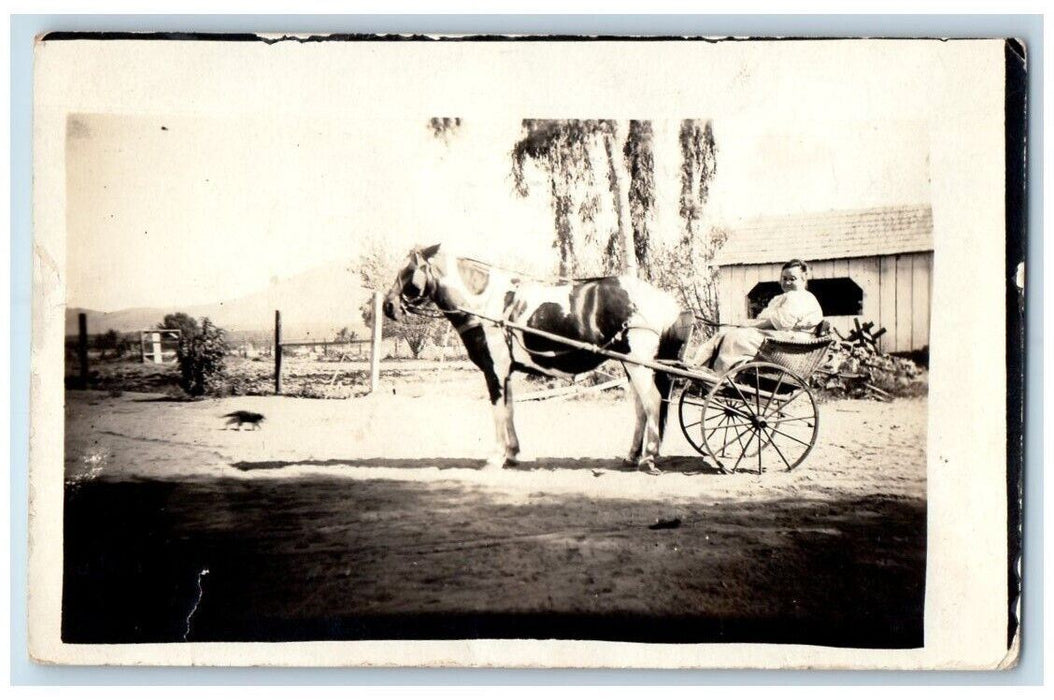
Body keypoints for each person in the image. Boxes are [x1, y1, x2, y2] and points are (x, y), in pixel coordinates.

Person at [696, 258, 824, 374]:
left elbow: (779, 323)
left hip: (790, 346)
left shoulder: (801, 297)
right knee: (722, 335)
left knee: (734, 337)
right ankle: (697, 367)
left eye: (792, 279)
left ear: (803, 279)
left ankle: (721, 375)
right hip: (778, 340)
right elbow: (765, 319)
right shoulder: (782, 298)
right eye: (784, 279)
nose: (787, 282)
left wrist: (748, 324)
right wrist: (748, 324)